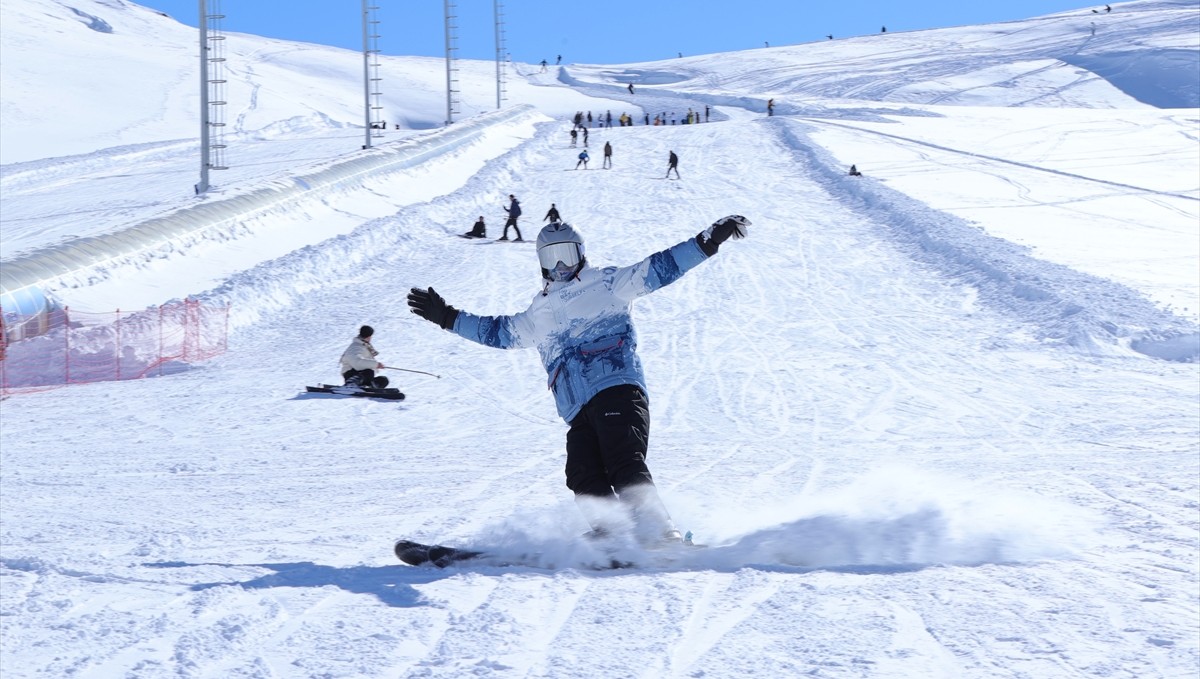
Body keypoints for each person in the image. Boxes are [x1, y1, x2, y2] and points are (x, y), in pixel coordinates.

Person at [406, 216, 752, 546]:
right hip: (578, 409)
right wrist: (448, 317)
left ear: (581, 255)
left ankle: (660, 533)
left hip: (617, 389)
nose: (561, 267)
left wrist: (707, 242)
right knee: (581, 470)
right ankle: (612, 534)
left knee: (623, 461)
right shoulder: (537, 313)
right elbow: (498, 333)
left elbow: (661, 267)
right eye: (552, 258)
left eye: (567, 256)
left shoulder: (608, 284)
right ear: (541, 263)